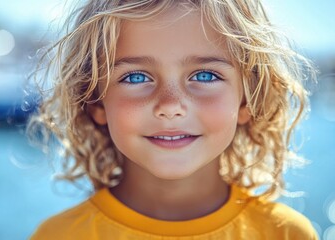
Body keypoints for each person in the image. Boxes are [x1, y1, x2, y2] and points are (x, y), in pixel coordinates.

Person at [29, 0, 318, 239]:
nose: (171, 106)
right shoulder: (57, 235)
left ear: (247, 99)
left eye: (205, 76)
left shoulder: (287, 234)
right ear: (95, 102)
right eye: (136, 77)